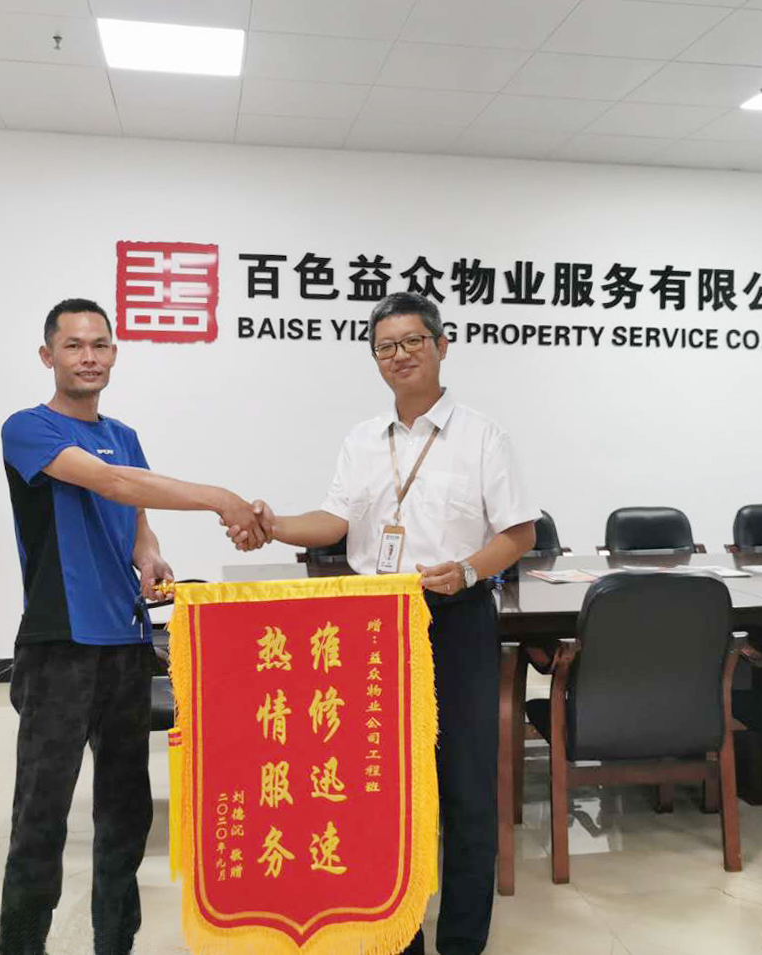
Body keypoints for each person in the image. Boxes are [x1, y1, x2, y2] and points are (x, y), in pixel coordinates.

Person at [228, 291, 536, 955]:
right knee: (383, 787)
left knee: (466, 784)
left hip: (456, 618)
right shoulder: (362, 440)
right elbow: (334, 521)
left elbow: (519, 533)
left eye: (412, 341)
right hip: (376, 628)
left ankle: (462, 938)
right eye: (385, 347)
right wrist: (274, 524)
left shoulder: (483, 436)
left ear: (441, 346)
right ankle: (396, 934)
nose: (399, 355)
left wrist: (468, 570)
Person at [0, 298, 267, 955]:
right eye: (73, 345)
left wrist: (148, 553)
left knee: (125, 811)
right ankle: (21, 944)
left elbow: (136, 510)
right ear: (48, 356)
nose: (88, 357)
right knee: (41, 814)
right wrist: (220, 498)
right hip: (60, 644)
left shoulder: (124, 434)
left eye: (100, 344)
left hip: (126, 642)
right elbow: (112, 484)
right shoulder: (28, 428)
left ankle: (114, 940)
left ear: (114, 353)